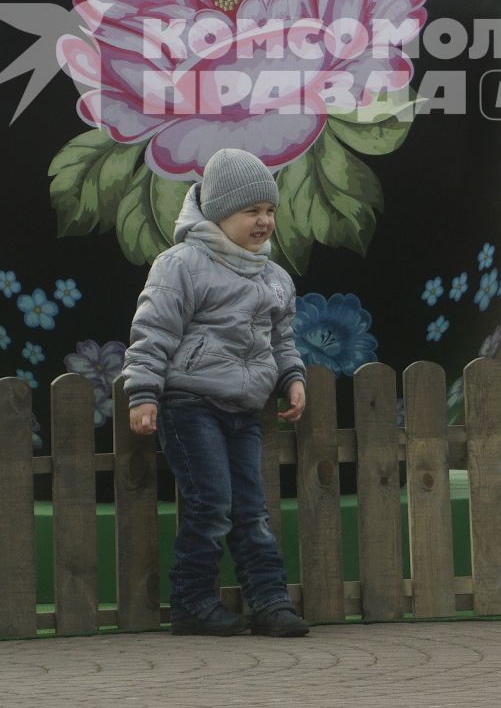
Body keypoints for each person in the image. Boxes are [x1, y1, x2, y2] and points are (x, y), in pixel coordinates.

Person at [123, 148, 310, 638]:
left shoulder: (275, 277)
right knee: (211, 504)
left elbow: (282, 338)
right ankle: (191, 603)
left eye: (269, 210)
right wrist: (143, 392)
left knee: (252, 509)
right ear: (218, 213)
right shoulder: (182, 264)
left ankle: (270, 601)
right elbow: (153, 330)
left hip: (243, 410)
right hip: (189, 404)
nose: (264, 221)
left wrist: (292, 377)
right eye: (251, 211)